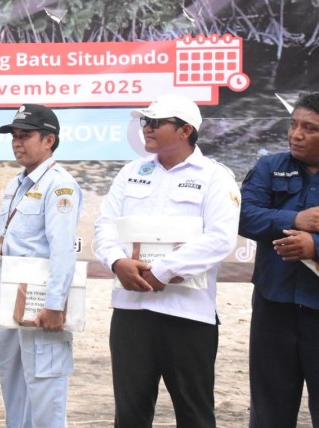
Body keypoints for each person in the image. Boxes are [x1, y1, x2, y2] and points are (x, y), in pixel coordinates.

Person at [93, 93, 240, 428]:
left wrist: (162, 271)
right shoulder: (130, 171)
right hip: (131, 311)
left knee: (194, 413)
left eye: (156, 122)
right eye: (145, 121)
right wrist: (117, 262)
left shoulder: (215, 177)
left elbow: (220, 239)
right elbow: (104, 226)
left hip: (187, 314)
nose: (146, 128)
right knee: (130, 414)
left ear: (185, 130)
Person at [0, 104, 82, 428]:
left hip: (40, 301)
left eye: (26, 135)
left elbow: (63, 250)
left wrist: (55, 305)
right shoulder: (16, 184)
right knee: (14, 389)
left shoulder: (60, 185)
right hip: (11, 299)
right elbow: (4, 244)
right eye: (14, 136)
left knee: (45, 394)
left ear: (49, 140)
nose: (17, 142)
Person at [239, 91, 319, 427]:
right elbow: (242, 215)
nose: (296, 134)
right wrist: (293, 220)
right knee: (269, 409)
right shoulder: (269, 167)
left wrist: (314, 246)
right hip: (274, 306)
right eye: (293, 124)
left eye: (310, 128)